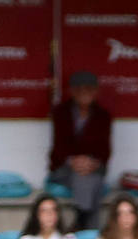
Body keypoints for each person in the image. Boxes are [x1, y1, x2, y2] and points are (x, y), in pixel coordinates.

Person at [46, 71, 111, 230]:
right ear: (72, 91)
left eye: (89, 89)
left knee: (90, 179)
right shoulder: (61, 113)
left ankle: (81, 220)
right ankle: (87, 224)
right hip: (64, 170)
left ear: (95, 91)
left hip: (92, 169)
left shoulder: (103, 116)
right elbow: (58, 148)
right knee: (90, 181)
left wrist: (92, 163)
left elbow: (105, 150)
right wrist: (73, 161)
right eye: (79, 89)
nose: (84, 93)